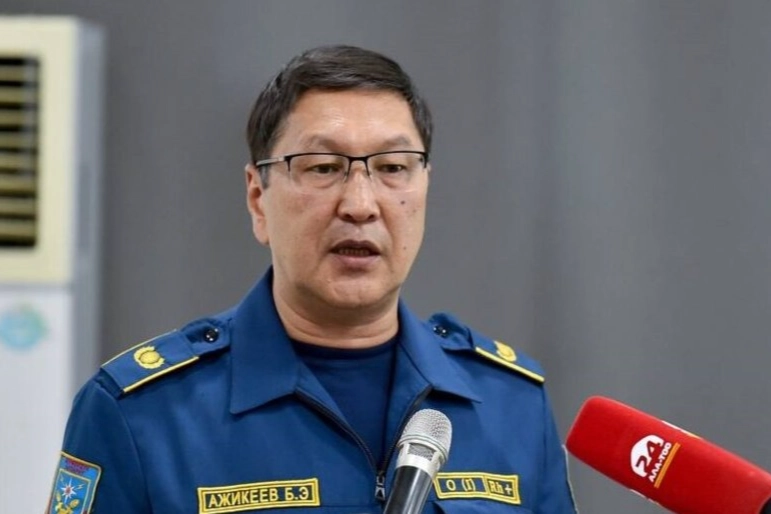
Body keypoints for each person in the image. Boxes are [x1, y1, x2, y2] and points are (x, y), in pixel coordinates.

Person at [47, 45, 577, 514]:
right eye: (323, 167)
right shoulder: (143, 413)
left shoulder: (510, 404)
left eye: (393, 168)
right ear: (258, 198)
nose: (361, 204)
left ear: (424, 188)